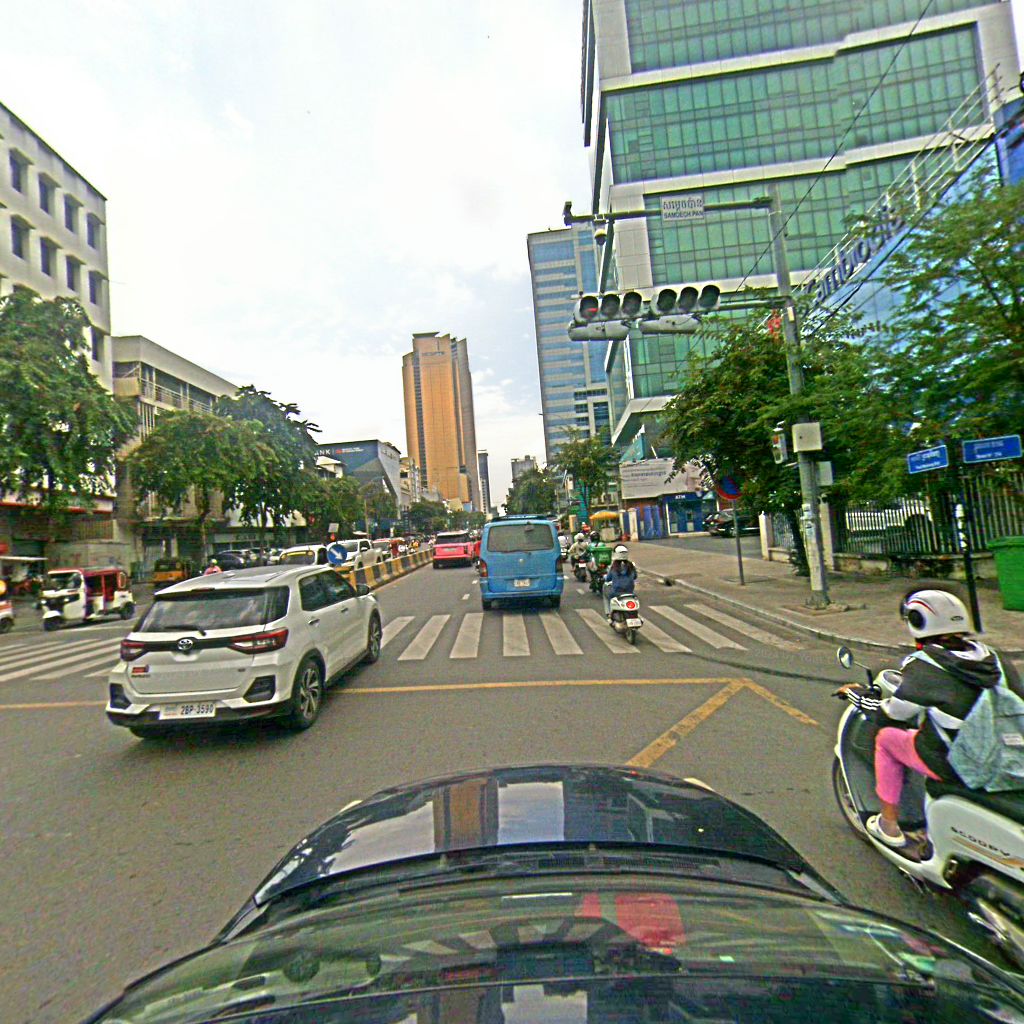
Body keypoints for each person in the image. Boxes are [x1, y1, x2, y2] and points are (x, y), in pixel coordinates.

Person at [845, 588, 1022, 849]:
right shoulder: (995, 659)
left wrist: (860, 697)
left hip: (960, 764)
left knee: (886, 739)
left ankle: (889, 825)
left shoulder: (925, 664)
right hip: (1010, 757)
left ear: (918, 621)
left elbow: (894, 713)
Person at [603, 544, 638, 618]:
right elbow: (635, 576)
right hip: (630, 592)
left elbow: (608, 578)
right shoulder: (631, 565)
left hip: (616, 592)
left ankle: (609, 613)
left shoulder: (614, 566)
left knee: (605, 593)